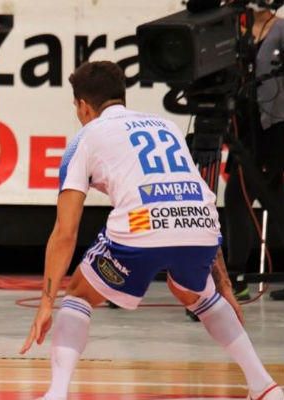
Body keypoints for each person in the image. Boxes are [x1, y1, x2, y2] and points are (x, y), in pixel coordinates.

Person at [20, 61, 284, 400]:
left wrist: (46, 302)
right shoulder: (167, 126)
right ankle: (264, 386)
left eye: (77, 108)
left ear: (83, 106)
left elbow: (65, 232)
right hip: (199, 223)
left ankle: (56, 393)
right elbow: (197, 198)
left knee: (79, 295)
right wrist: (224, 286)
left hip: (142, 226)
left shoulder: (84, 138)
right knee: (195, 293)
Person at [224, 3, 284, 301]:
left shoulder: (281, 29)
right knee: (251, 198)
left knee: (246, 197)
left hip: (275, 130)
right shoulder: (239, 31)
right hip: (246, 130)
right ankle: (236, 278)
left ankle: (236, 277)